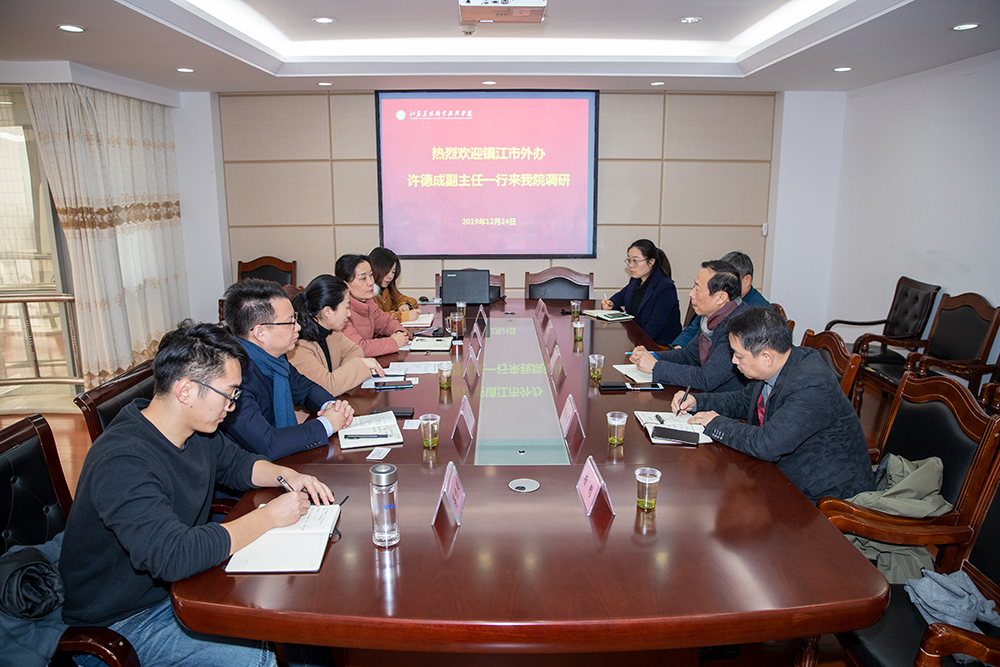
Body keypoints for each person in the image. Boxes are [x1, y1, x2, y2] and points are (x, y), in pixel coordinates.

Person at [60, 320, 336, 666]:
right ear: (186, 390)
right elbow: (172, 555)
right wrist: (268, 518)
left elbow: (237, 464)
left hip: (181, 587)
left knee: (296, 613)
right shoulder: (123, 460)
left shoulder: (194, 429)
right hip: (122, 620)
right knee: (259, 657)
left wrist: (288, 476)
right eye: (229, 394)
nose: (232, 407)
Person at [672, 307, 876, 502]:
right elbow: (744, 401)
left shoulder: (811, 383)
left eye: (739, 355)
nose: (734, 361)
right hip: (787, 474)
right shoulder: (778, 364)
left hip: (826, 497)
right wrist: (698, 401)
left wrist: (715, 423)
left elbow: (767, 444)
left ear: (767, 357)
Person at [222, 278, 354, 459]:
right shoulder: (232, 379)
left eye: (295, 319)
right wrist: (327, 424)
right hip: (249, 473)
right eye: (290, 322)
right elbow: (268, 443)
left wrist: (333, 407)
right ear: (260, 332)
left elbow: (306, 389)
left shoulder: (274, 359)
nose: (298, 327)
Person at [631, 260, 748, 392]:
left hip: (724, 400)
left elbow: (706, 379)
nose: (691, 294)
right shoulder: (712, 317)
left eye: (698, 289)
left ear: (721, 298)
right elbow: (689, 356)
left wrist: (655, 367)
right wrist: (653, 356)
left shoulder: (739, 327)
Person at [288, 273, 386, 395]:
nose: (349, 314)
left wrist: (339, 376)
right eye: (346, 307)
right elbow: (326, 388)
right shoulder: (298, 345)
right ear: (327, 312)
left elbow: (355, 350)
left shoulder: (332, 332)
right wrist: (358, 366)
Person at [672, 250, 771, 348]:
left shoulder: (763, 313)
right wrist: (678, 347)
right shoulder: (713, 301)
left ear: (747, 280)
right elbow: (694, 328)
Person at [600, 239, 681, 346]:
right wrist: (611, 302)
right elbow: (623, 295)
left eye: (635, 261)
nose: (631, 265)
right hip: (638, 339)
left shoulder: (665, 287)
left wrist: (637, 343)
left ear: (651, 262)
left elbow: (655, 325)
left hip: (659, 345)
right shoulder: (636, 280)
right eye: (629, 260)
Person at [336, 253, 412, 357]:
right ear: (346, 285)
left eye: (371, 275)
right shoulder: (341, 311)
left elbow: (386, 322)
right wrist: (393, 342)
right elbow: (358, 348)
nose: (371, 282)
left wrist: (399, 333)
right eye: (363, 278)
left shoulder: (367, 302)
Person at [369, 246, 421, 323]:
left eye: (393, 272)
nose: (390, 276)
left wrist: (404, 305)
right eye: (387, 271)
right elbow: (375, 318)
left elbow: (412, 301)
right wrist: (403, 316)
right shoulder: (366, 292)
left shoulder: (387, 290)